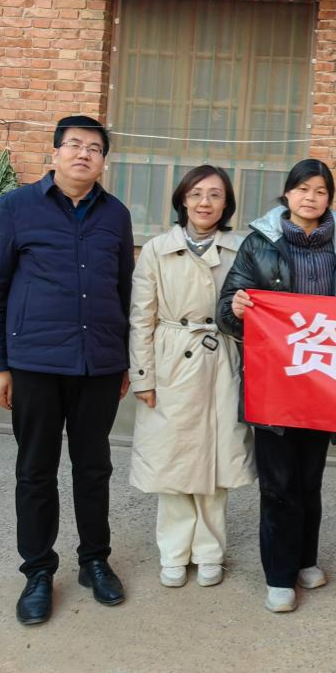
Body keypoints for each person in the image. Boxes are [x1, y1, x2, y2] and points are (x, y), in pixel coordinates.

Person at [0, 115, 134, 626]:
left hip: (98, 364)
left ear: (103, 161)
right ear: (56, 153)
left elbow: (124, 290)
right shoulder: (15, 208)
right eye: (75, 145)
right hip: (35, 364)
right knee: (36, 470)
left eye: (95, 148)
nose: (84, 154)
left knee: (94, 468)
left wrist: (123, 359)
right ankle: (38, 571)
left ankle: (94, 561)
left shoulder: (116, 215)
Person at [216, 159, 336, 614]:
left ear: (330, 199)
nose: (311, 197)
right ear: (287, 194)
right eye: (303, 189)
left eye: (320, 191)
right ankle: (279, 575)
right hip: (275, 380)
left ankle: (305, 558)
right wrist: (238, 309)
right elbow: (226, 309)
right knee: (278, 483)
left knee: (310, 478)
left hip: (326, 379)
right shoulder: (259, 243)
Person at [127, 165, 255, 589]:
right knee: (174, 462)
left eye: (215, 195)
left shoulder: (241, 249)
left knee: (217, 462)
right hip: (171, 360)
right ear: (183, 199)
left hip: (221, 360)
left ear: (226, 204)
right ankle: (174, 552)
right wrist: (143, 376)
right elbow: (141, 317)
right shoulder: (157, 249)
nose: (205, 202)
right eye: (197, 193)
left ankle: (210, 551)